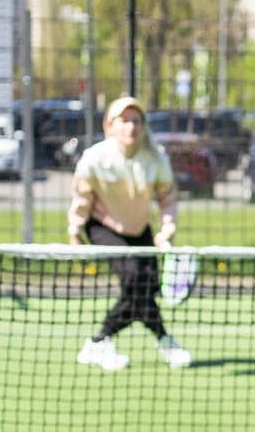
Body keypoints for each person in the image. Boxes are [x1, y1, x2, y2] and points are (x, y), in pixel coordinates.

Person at [67, 96, 193, 370]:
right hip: (103, 226)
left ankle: (99, 343)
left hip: (139, 230)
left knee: (145, 288)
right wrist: (75, 232)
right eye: (124, 120)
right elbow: (82, 200)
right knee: (136, 280)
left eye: (136, 121)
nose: (131, 127)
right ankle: (161, 340)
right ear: (109, 126)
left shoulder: (156, 158)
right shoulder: (94, 159)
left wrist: (167, 229)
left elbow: (167, 199)